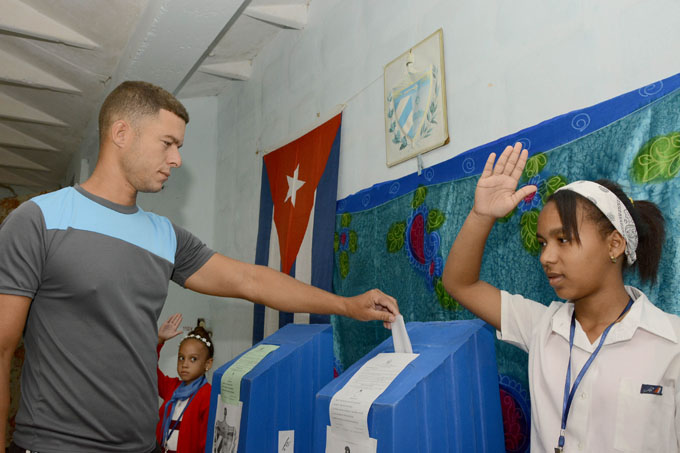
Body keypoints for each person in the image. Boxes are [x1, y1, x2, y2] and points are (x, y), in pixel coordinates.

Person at [0, 81, 399, 453]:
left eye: (179, 146)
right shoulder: (39, 219)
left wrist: (346, 305)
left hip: (142, 444)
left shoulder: (164, 236)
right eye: (167, 143)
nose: (176, 159)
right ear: (121, 134)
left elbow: (250, 280)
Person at [442, 142, 680, 452]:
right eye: (542, 243)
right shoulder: (543, 327)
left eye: (563, 239)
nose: (546, 257)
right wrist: (480, 215)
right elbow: (460, 283)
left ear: (615, 245)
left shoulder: (671, 342)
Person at [156, 313, 212, 453]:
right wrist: (159, 340)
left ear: (208, 363)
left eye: (193, 359)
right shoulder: (172, 387)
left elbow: (206, 442)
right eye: (181, 358)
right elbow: (148, 372)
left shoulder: (207, 395)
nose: (185, 364)